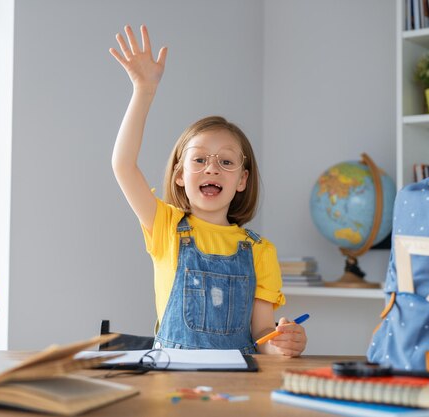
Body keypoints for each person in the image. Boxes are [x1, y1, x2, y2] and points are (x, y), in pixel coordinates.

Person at [110, 25, 307, 356]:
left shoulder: (261, 251)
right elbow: (123, 166)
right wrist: (143, 90)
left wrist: (284, 343)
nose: (212, 168)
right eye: (199, 159)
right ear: (179, 176)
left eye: (226, 162)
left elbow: (262, 335)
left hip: (237, 388)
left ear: (242, 180)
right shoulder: (165, 226)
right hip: (171, 380)